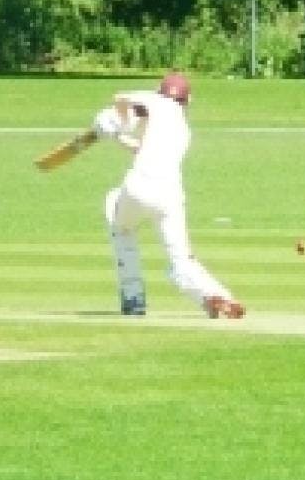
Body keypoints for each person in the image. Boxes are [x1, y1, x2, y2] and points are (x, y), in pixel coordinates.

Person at [96, 71, 244, 319]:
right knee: (181, 258)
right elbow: (143, 148)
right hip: (170, 197)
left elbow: (120, 98)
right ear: (187, 101)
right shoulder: (184, 131)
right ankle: (214, 294)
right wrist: (119, 136)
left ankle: (133, 298)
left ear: (161, 91)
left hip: (138, 187)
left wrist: (113, 123)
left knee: (118, 218)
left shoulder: (157, 101)